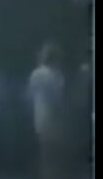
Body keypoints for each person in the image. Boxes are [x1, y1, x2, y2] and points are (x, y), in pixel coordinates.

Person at [26, 42, 70, 179]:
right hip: (54, 119)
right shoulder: (56, 75)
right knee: (56, 158)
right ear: (55, 58)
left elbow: (29, 96)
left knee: (44, 156)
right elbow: (58, 100)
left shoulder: (35, 74)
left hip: (38, 117)